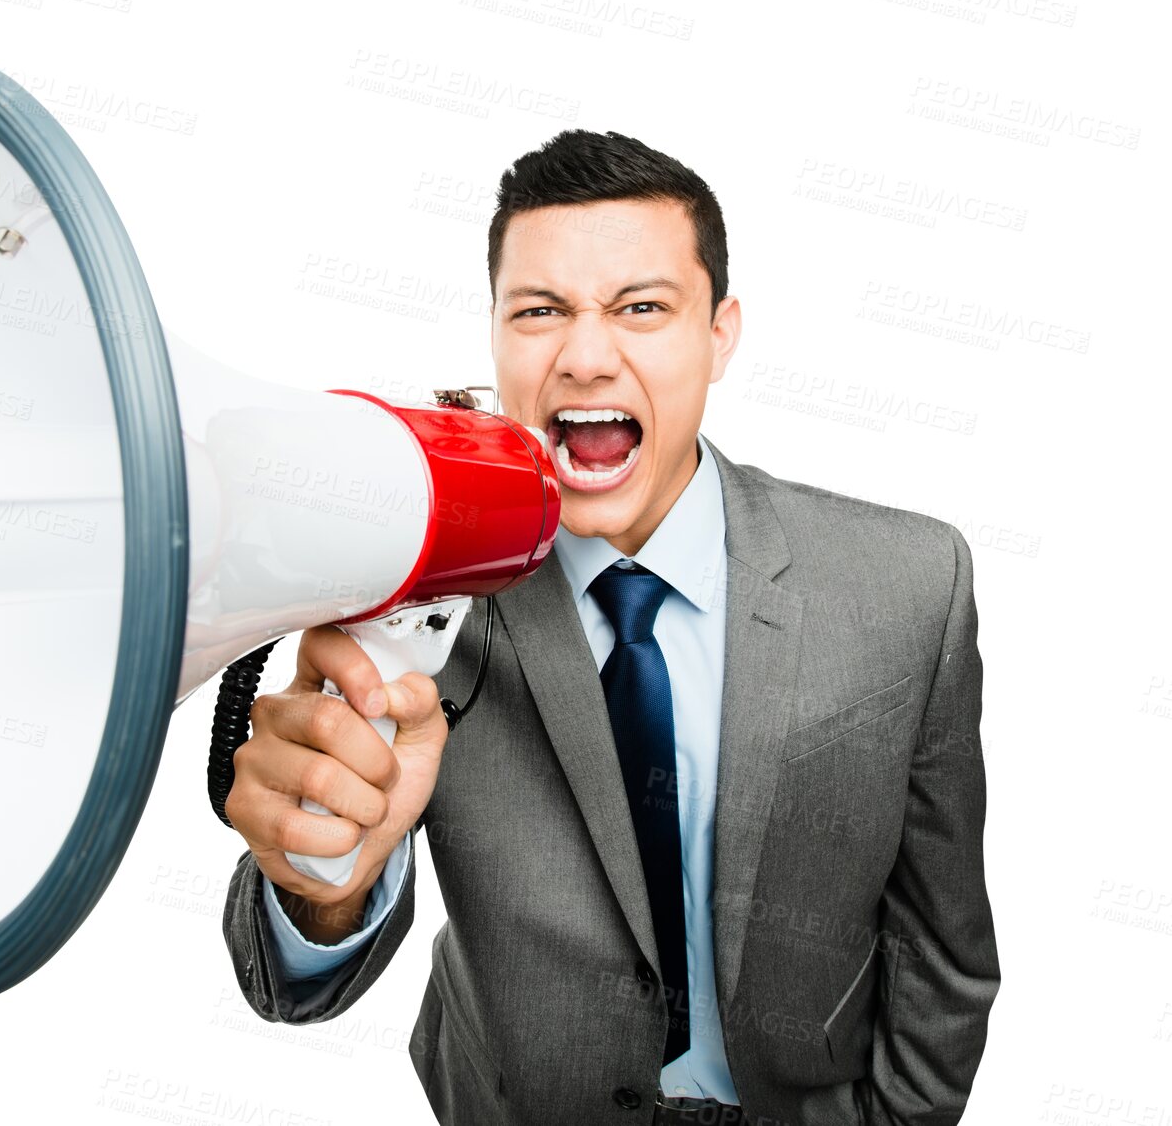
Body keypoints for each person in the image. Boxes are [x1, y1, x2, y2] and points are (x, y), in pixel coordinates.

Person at [220, 130, 998, 1125]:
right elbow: (283, 978)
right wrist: (324, 876)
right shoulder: (411, 584)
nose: (585, 357)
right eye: (539, 311)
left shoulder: (910, 583)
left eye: (641, 307)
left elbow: (943, 953)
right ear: (495, 335)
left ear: (721, 333)